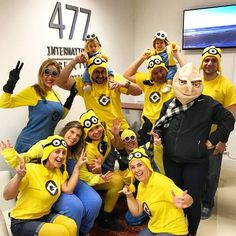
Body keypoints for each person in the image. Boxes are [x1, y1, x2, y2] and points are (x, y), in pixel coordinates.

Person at [153, 62, 235, 236]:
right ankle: (177, 229)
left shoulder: (208, 104)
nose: (188, 88)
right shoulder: (169, 104)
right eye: (183, 82)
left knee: (192, 199)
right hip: (171, 159)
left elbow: (228, 119)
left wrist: (213, 139)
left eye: (195, 83)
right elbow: (161, 123)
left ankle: (191, 232)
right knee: (175, 196)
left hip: (195, 163)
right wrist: (158, 134)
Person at [1, 121, 102, 236]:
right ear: (47, 153)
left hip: (44, 215)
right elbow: (7, 196)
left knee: (71, 225)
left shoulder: (58, 172)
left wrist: (79, 167)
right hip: (23, 221)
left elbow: (68, 189)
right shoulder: (31, 168)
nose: (60, 156)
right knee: (63, 230)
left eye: (63, 153)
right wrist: (18, 174)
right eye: (57, 152)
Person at [0, 59, 77, 152]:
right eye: (47, 72)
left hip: (46, 146)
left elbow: (61, 116)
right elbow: (4, 103)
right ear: (41, 73)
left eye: (54, 73)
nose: (50, 77)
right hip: (29, 144)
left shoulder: (55, 94)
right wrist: (10, 84)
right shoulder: (34, 90)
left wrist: (71, 97)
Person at [56, 54, 142, 131]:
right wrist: (75, 61)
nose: (100, 75)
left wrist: (125, 84)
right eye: (96, 72)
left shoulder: (114, 79)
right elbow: (60, 82)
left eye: (103, 71)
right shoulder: (84, 84)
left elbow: (139, 91)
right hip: (97, 131)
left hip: (119, 128)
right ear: (90, 71)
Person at [119, 147, 193, 236]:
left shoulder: (161, 182)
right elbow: (137, 212)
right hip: (155, 227)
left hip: (173, 229)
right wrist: (129, 196)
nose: (136, 170)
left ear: (147, 165)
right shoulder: (141, 185)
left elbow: (189, 199)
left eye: (139, 165)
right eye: (133, 167)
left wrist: (183, 200)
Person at [198, 46, 236, 219]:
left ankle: (207, 203)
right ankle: (194, 199)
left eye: (214, 61)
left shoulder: (226, 85)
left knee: (211, 173)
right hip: (194, 136)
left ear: (218, 63)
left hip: (214, 138)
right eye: (206, 60)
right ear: (202, 62)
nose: (209, 63)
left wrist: (222, 140)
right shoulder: (195, 80)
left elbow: (231, 115)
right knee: (194, 170)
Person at [78, 109, 124, 231]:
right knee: (118, 180)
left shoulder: (105, 134)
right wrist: (98, 170)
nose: (96, 131)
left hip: (99, 171)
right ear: (85, 133)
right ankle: (105, 217)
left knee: (121, 176)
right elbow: (90, 176)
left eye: (97, 127)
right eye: (90, 130)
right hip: (85, 179)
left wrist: (116, 135)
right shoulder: (88, 148)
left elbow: (120, 146)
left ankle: (105, 212)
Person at [123, 53, 174, 144]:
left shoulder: (174, 82)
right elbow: (126, 75)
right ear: (151, 75)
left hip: (167, 128)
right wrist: (142, 57)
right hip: (147, 128)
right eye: (155, 73)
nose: (159, 75)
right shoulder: (147, 81)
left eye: (161, 70)